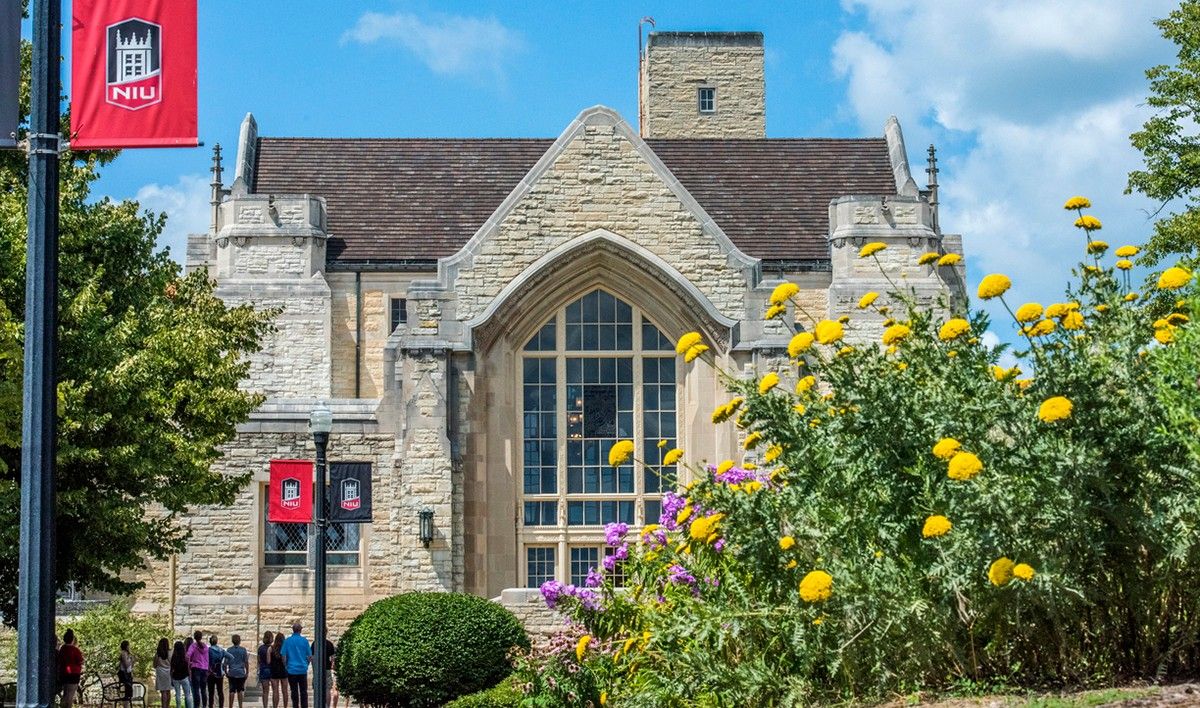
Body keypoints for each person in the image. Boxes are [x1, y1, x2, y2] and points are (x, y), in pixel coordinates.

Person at [281, 623, 311, 708]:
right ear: (300, 630)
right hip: (302, 669)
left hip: (291, 670)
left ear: (293, 630)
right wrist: (306, 664)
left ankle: (295, 706)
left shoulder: (287, 641)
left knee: (294, 691)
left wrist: (286, 666)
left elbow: (283, 656)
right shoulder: (304, 641)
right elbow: (309, 656)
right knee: (304, 691)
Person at [57, 629, 84, 708]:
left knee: (66, 694)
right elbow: (81, 661)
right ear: (72, 639)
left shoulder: (62, 649)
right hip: (74, 675)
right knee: (70, 696)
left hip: (63, 674)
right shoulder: (75, 650)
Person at [224, 635, 249, 708]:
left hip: (232, 672)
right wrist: (247, 672)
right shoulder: (243, 650)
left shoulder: (229, 650)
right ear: (239, 641)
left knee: (232, 690)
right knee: (240, 690)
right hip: (241, 673)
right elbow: (246, 662)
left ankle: (230, 706)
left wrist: (226, 672)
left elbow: (225, 662)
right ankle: (240, 706)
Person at [186, 631, 209, 708]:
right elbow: (207, 658)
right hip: (205, 669)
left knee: (196, 689)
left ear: (194, 637)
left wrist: (190, 663)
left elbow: (187, 656)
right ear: (201, 637)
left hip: (196, 669)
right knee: (203, 689)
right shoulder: (205, 646)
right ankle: (204, 706)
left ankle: (197, 706)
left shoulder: (193, 646)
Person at [311, 638, 335, 708]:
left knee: (316, 688)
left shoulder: (314, 643)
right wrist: (331, 666)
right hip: (327, 668)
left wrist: (314, 669)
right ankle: (327, 706)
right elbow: (333, 658)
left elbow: (312, 658)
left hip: (317, 669)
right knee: (327, 689)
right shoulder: (329, 644)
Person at [170, 640, 193, 708]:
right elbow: (188, 668)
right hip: (184, 677)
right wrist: (190, 677)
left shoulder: (173, 657)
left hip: (175, 677)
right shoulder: (186, 657)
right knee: (187, 695)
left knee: (177, 694)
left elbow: (172, 669)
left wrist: (171, 678)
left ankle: (178, 706)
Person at [268, 633, 288, 708]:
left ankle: (275, 706)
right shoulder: (285, 648)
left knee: (275, 691)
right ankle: (285, 706)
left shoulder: (271, 648)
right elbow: (285, 660)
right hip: (283, 671)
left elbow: (268, 661)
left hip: (274, 671)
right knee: (285, 691)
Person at [207, 635, 227, 708]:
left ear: (210, 642)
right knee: (220, 691)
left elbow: (207, 661)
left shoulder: (208, 650)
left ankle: (210, 706)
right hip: (219, 672)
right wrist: (224, 665)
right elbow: (230, 657)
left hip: (210, 672)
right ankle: (221, 706)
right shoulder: (221, 650)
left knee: (211, 692)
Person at [256, 631, 274, 708]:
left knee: (265, 691)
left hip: (263, 669)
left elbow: (259, 660)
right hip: (272, 670)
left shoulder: (260, 648)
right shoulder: (273, 648)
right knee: (274, 690)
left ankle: (265, 706)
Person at [153, 638, 172, 708]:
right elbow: (172, 663)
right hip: (168, 673)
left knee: (163, 692)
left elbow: (154, 665)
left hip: (160, 673)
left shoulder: (158, 653)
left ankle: (163, 706)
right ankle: (167, 706)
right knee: (168, 691)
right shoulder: (170, 652)